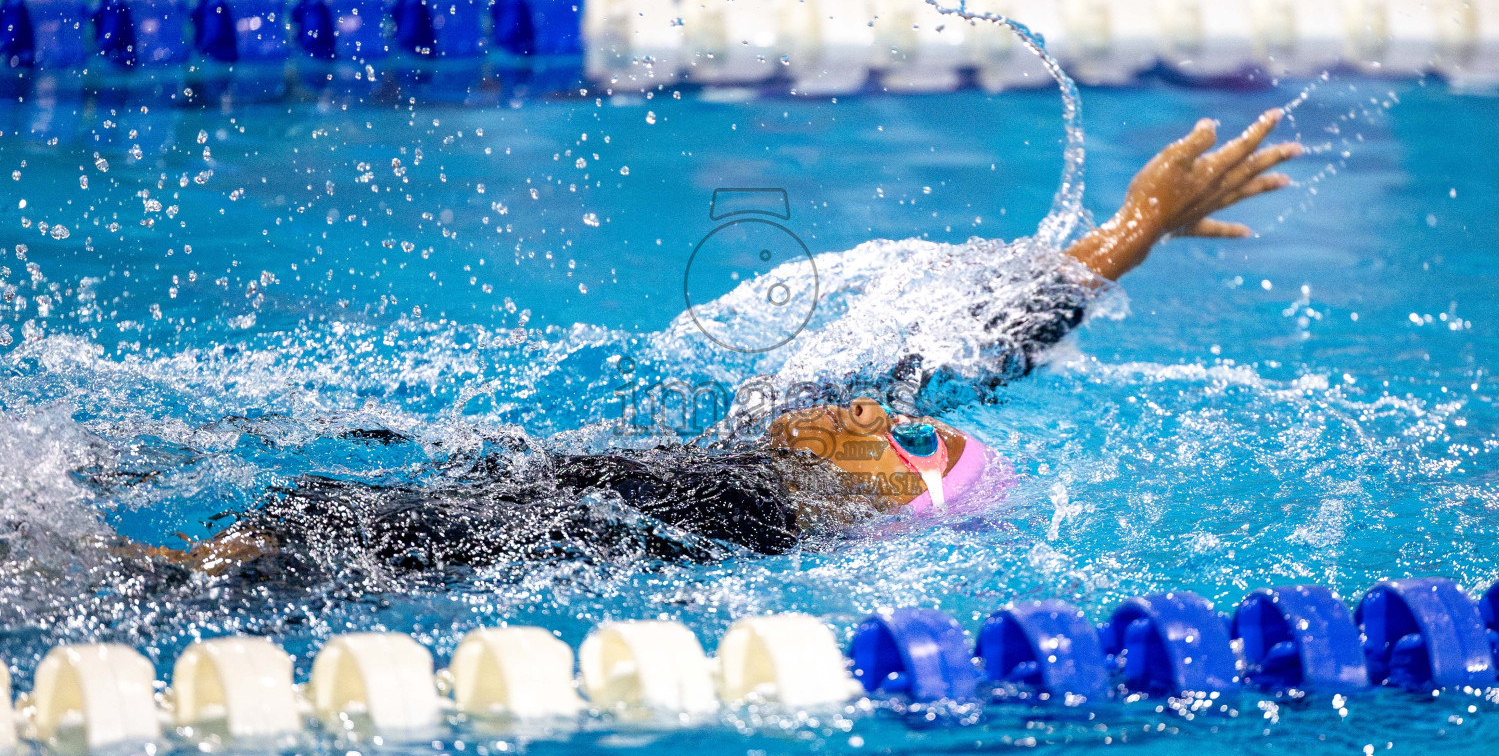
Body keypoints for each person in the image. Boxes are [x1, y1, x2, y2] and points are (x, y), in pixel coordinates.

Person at [129, 109, 1300, 579]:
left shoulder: (745, 519)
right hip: (460, 482)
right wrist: (1134, 234)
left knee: (273, 544)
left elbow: (459, 535)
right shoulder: (780, 441)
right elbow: (979, 349)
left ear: (861, 509)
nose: (863, 407)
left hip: (416, 540)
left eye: (893, 439)